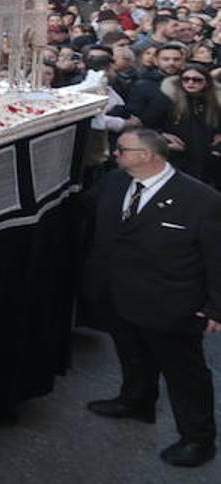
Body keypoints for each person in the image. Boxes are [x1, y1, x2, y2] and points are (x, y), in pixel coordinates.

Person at [84, 129, 221, 468]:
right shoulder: (114, 183)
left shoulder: (202, 200)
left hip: (171, 304)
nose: (114, 154)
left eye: (121, 149)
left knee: (185, 375)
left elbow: (217, 258)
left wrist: (217, 307)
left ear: (147, 156)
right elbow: (83, 213)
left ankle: (198, 439)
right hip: (119, 294)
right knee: (132, 354)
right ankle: (136, 401)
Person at [161, 64, 221, 186]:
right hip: (178, 160)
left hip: (208, 163)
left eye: (197, 80)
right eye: (186, 79)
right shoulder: (168, 102)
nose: (191, 82)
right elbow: (147, 126)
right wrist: (163, 137)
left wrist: (217, 149)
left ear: (207, 83)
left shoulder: (214, 104)